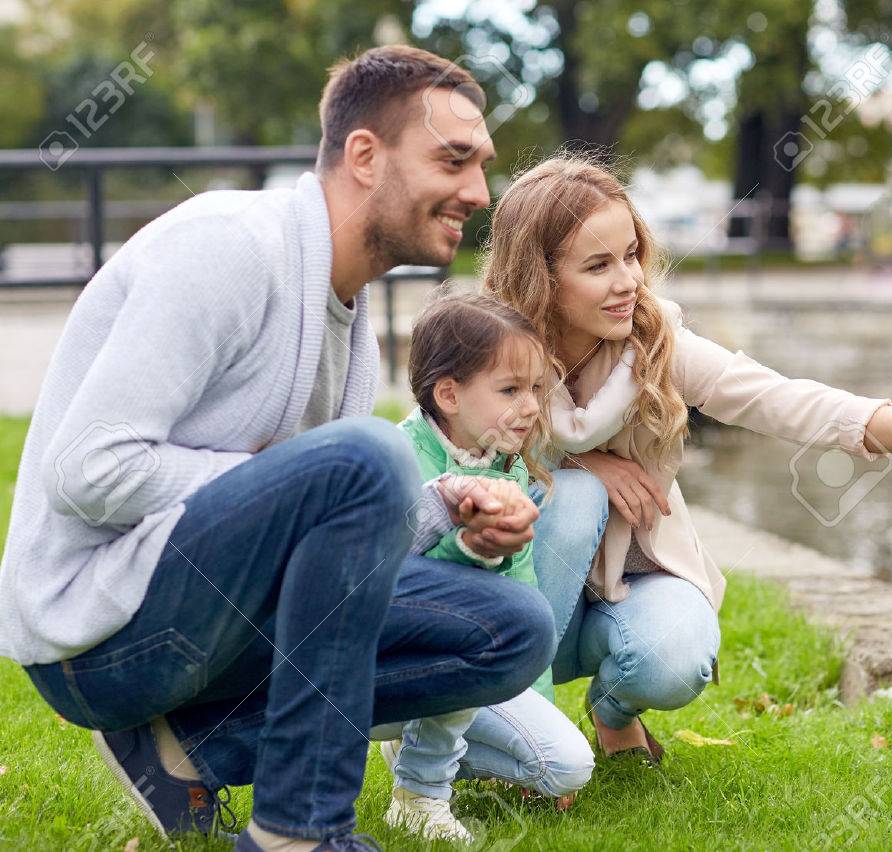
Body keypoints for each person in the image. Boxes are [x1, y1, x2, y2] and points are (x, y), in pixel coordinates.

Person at [0, 47, 607, 851]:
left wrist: (439, 513)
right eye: (453, 160)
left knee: (513, 626)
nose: (478, 193)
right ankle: (299, 832)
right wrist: (293, 481)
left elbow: (323, 543)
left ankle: (185, 755)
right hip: (99, 638)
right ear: (364, 155)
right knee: (366, 458)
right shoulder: (229, 248)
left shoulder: (343, 308)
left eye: (481, 166)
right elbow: (87, 469)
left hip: (210, 620)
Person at [481, 154, 892, 761]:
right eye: (599, 265)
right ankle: (520, 724)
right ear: (541, 277)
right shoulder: (490, 355)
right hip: (525, 588)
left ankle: (614, 709)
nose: (629, 280)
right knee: (573, 500)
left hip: (631, 581)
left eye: (631, 255)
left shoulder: (653, 343)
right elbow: (449, 458)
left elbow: (783, 400)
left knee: (673, 661)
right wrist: (583, 467)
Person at [380, 294, 593, 843]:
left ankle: (426, 743)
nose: (531, 407)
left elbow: (524, 597)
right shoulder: (398, 462)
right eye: (510, 390)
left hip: (473, 651)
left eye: (537, 389)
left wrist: (537, 703)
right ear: (448, 394)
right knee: (466, 626)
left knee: (567, 765)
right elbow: (404, 586)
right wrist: (474, 548)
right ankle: (418, 792)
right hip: (391, 664)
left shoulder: (505, 468)